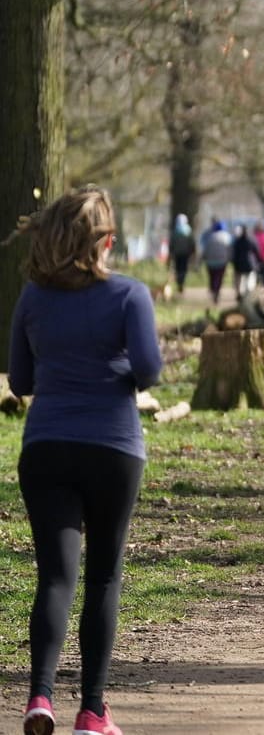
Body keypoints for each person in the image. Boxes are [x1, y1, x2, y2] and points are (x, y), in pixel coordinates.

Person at [10, 187, 160, 735]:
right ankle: (93, 712)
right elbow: (149, 372)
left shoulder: (32, 296)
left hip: (45, 446)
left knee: (54, 577)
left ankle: (39, 699)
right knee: (103, 578)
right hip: (113, 448)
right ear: (106, 242)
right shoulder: (129, 294)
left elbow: (21, 381)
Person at [200, 218, 234, 304]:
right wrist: (230, 258)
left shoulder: (210, 237)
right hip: (222, 262)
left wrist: (203, 258)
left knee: (212, 277)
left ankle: (213, 289)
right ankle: (216, 291)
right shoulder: (227, 237)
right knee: (219, 278)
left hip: (210, 261)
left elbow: (206, 249)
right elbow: (230, 249)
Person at [230, 221, 262, 298]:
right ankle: (247, 295)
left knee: (240, 282)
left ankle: (241, 295)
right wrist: (259, 262)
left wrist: (234, 263)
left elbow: (234, 254)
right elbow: (257, 251)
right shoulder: (252, 240)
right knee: (249, 282)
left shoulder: (237, 241)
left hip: (239, 265)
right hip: (250, 264)